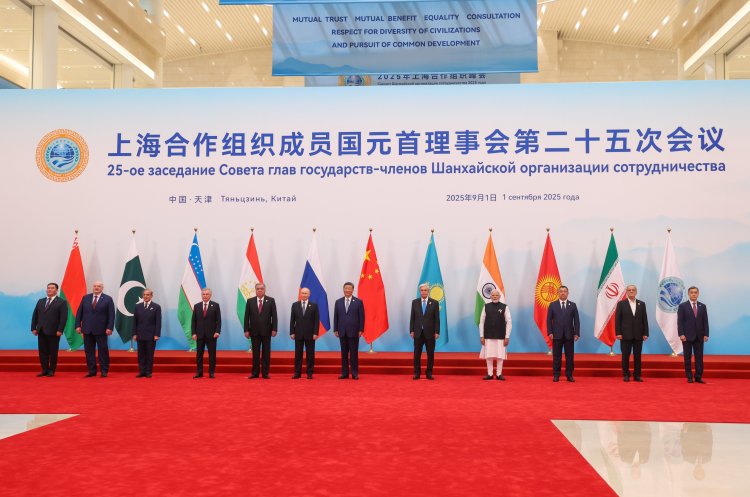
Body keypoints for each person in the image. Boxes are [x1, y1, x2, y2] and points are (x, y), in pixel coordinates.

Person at [75, 281, 115, 377]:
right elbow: (79, 313)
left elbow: (111, 315)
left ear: (102, 288)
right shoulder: (85, 298)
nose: (96, 287)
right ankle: (92, 371)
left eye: (98, 286)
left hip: (102, 330)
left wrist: (109, 327)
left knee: (103, 351)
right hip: (87, 329)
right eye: (95, 286)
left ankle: (104, 371)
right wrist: (77, 325)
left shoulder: (108, 299)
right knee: (89, 351)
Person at [30, 282, 68, 377]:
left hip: (54, 332)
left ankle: (51, 370)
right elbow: (35, 315)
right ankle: (44, 370)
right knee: (42, 352)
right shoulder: (41, 301)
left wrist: (60, 330)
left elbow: (63, 318)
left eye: (52, 288)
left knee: (53, 352)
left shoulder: (62, 302)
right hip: (41, 330)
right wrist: (33, 328)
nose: (49, 289)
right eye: (48, 288)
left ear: (56, 290)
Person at [615, 284, 649, 382]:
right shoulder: (621, 304)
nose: (631, 291)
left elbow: (645, 320)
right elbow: (617, 320)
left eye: (633, 290)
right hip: (625, 335)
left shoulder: (641, 304)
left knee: (637, 356)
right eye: (629, 290)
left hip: (639, 335)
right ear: (626, 292)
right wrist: (618, 333)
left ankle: (637, 375)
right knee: (625, 356)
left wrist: (645, 333)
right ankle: (626, 374)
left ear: (636, 292)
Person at [243, 283, 278, 379]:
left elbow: (274, 316)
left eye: (261, 288)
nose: (259, 290)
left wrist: (274, 329)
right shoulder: (250, 301)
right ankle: (255, 373)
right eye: (258, 288)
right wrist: (246, 330)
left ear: (264, 290)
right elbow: (246, 317)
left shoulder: (271, 300)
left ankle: (265, 373)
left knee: (266, 353)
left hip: (267, 331)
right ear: (255, 290)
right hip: (254, 332)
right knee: (255, 354)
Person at [546, 285, 580, 382]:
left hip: (569, 335)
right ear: (558, 293)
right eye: (561, 291)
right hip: (556, 335)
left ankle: (569, 375)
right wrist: (550, 332)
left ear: (568, 293)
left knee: (570, 357)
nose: (563, 293)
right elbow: (548, 320)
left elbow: (576, 321)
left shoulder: (573, 305)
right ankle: (556, 375)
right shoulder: (553, 305)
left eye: (565, 291)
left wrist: (577, 333)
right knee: (557, 356)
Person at [677, 286, 709, 383]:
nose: (694, 294)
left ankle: (698, 377)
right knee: (687, 357)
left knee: (699, 358)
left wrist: (706, 334)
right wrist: (681, 334)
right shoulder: (682, 306)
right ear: (688, 294)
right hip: (686, 336)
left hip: (699, 336)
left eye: (695, 292)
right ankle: (689, 377)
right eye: (692, 292)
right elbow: (680, 322)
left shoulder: (702, 306)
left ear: (698, 294)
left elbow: (705, 322)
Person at [333, 282, 365, 380]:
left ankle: (354, 373)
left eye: (349, 288)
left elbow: (362, 317)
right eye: (345, 288)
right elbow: (336, 317)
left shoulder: (358, 302)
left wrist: (361, 329)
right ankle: (344, 373)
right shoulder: (338, 302)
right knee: (344, 354)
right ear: (343, 289)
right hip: (342, 331)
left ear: (352, 290)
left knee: (354, 354)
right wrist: (335, 329)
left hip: (354, 332)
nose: (347, 290)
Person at [478, 289, 512, 380]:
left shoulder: (504, 307)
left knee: (500, 356)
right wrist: (481, 335)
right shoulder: (486, 306)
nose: (495, 297)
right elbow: (481, 322)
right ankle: (489, 374)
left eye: (496, 295)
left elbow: (509, 322)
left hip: (501, 335)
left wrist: (507, 336)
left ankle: (499, 374)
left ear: (499, 296)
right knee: (488, 355)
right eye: (493, 295)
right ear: (490, 296)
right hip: (488, 335)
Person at [409, 283, 440, 380]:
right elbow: (412, 318)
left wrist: (437, 331)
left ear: (428, 291)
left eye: (425, 290)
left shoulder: (434, 303)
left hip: (430, 333)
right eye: (422, 290)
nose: (423, 292)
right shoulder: (415, 302)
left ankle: (429, 373)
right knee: (416, 354)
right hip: (418, 333)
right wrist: (411, 330)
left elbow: (437, 319)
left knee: (430, 354)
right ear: (420, 291)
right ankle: (417, 373)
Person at [290, 288, 320, 379]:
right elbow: (292, 320)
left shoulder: (314, 306)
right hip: (298, 333)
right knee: (298, 354)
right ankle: (297, 373)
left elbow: (316, 321)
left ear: (309, 294)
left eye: (306, 293)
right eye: (302, 293)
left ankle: (309, 372)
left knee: (310, 354)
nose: (304, 295)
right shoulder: (295, 305)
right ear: (300, 294)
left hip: (310, 334)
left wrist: (315, 333)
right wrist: (292, 332)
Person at [191, 288, 221, 378]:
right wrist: (193, 333)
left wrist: (217, 331)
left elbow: (218, 320)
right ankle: (199, 372)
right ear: (201, 295)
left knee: (212, 355)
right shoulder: (197, 306)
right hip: (199, 335)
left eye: (207, 294)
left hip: (212, 335)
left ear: (210, 295)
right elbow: (193, 321)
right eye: (203, 294)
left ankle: (211, 372)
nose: (205, 296)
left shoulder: (215, 305)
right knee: (199, 355)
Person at [132, 288, 161, 378]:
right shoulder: (137, 306)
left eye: (148, 295)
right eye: (144, 295)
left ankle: (148, 372)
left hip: (151, 335)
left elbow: (158, 322)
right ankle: (142, 371)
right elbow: (134, 321)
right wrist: (134, 333)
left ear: (151, 296)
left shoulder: (156, 307)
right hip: (140, 334)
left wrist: (157, 334)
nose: (145, 296)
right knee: (141, 354)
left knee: (149, 354)